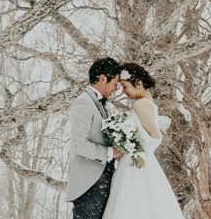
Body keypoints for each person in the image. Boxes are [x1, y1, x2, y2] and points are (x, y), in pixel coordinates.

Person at [101, 62, 184, 219]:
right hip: (137, 160)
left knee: (131, 204)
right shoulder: (146, 103)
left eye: (125, 87)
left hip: (135, 164)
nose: (124, 92)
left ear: (138, 83)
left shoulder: (140, 104)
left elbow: (155, 137)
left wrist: (129, 143)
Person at [66, 57, 124, 219]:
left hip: (103, 181)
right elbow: (80, 145)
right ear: (103, 78)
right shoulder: (83, 103)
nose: (116, 88)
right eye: (115, 83)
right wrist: (111, 152)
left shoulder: (105, 105)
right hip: (89, 184)